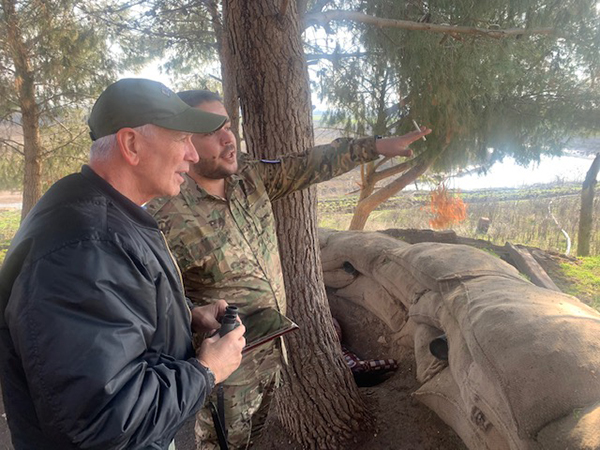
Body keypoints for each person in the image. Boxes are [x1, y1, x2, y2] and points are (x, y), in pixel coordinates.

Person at [147, 90, 432, 449]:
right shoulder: (166, 213)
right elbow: (151, 299)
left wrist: (375, 146)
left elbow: (307, 164)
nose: (227, 139)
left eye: (228, 126)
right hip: (225, 371)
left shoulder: (249, 176)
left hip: (272, 349)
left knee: (257, 433)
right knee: (220, 445)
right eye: (210, 132)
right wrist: (192, 317)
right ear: (184, 141)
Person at [0, 79, 247, 450]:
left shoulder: (101, 213)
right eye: (181, 139)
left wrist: (182, 316)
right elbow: (105, 418)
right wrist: (206, 371)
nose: (192, 156)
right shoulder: (86, 248)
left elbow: (112, 316)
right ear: (131, 145)